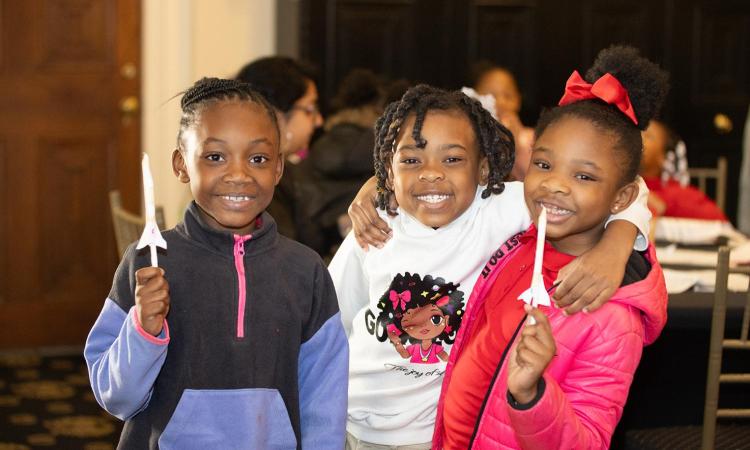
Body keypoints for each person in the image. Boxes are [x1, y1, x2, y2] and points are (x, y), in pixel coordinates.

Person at [330, 84, 652, 449]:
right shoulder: (376, 223)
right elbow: (330, 320)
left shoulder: (501, 208)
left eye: (452, 159)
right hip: (345, 419)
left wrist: (617, 242)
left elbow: (628, 187)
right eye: (411, 160)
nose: (432, 173)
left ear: (483, 170)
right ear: (389, 167)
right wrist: (375, 186)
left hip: (426, 434)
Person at [85, 78, 347, 449]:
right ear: (181, 165)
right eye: (215, 157)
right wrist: (142, 330)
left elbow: (324, 399)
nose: (238, 174)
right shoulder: (146, 263)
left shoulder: (306, 272)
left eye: (257, 159)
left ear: (278, 169)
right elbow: (117, 398)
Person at [433, 45, 669, 450]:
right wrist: (375, 191)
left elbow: (587, 441)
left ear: (622, 196)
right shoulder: (518, 238)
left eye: (583, 175)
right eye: (544, 165)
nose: (556, 184)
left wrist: (532, 394)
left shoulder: (612, 316)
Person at [236, 56, 324, 239]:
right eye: (309, 109)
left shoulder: (284, 172)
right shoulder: (255, 182)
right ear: (276, 114)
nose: (318, 121)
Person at [641, 119, 727, 221]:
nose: (639, 139)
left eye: (648, 136)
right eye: (637, 133)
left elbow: (720, 222)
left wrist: (661, 204)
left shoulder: (680, 195)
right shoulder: (624, 188)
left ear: (664, 157)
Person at [470, 62, 534, 181]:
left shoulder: (533, 138)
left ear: (518, 100)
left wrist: (517, 146)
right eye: (491, 96)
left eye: (508, 96)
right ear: (473, 98)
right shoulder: (468, 136)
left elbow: (534, 177)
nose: (501, 102)